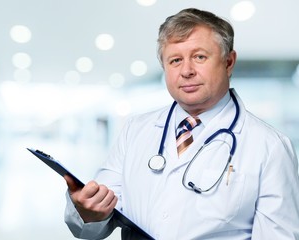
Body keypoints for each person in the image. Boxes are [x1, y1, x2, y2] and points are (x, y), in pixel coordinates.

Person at [63, 8, 299, 239]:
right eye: (175, 60)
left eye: (199, 57)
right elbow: (94, 223)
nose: (186, 71)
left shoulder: (270, 146)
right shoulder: (135, 131)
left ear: (229, 62)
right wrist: (87, 211)